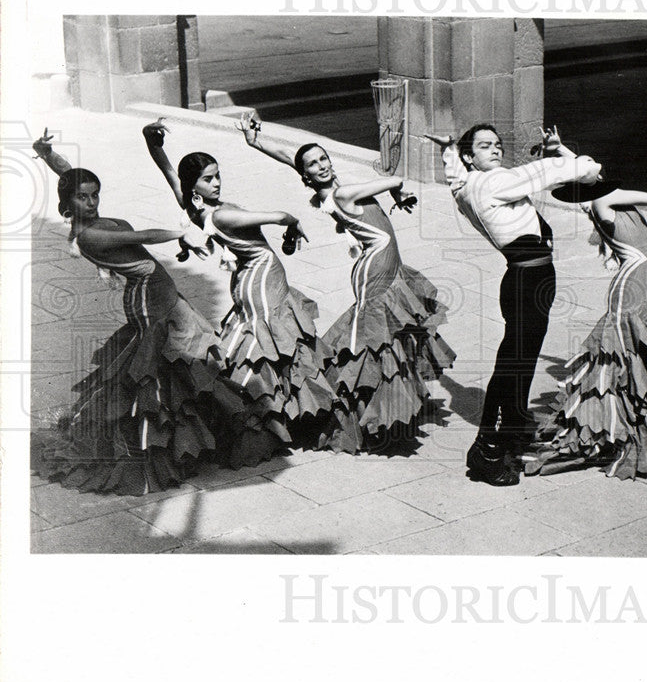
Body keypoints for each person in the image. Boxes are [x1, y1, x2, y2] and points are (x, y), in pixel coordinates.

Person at [31, 129, 271, 495]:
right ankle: (162, 453)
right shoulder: (90, 236)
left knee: (185, 368)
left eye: (95, 195)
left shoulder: (90, 219)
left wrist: (48, 155)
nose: (92, 202)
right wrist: (180, 234)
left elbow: (69, 176)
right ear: (68, 204)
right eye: (83, 198)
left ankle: (189, 443)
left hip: (161, 296)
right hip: (150, 303)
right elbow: (138, 236)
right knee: (165, 374)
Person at [236, 113, 455, 453]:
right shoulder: (343, 195)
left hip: (384, 265)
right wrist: (396, 188)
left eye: (323, 158)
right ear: (306, 174)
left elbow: (290, 159)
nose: (321, 165)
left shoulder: (335, 190)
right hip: (375, 270)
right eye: (313, 164)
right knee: (374, 343)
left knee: (387, 339)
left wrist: (257, 141)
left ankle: (380, 410)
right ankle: (360, 416)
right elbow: (394, 178)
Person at [142, 120, 343, 456]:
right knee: (277, 349)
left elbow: (165, 167)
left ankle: (281, 417)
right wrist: (292, 223)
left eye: (217, 175)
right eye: (208, 179)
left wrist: (152, 139)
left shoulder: (191, 205)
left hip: (247, 280)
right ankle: (279, 423)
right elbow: (278, 216)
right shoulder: (220, 217)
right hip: (263, 279)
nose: (217, 183)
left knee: (265, 349)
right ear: (195, 185)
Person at [427, 126, 603, 486]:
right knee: (512, 364)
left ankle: (512, 430)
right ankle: (486, 451)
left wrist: (448, 152)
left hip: (523, 279)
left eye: (497, 145)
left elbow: (455, 181)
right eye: (484, 146)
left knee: (517, 361)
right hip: (529, 282)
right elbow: (549, 173)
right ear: (470, 156)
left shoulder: (466, 187)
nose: (495, 150)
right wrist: (585, 164)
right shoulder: (494, 182)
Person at [522, 167, 647, 480]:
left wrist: (560, 150)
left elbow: (583, 170)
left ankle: (635, 417)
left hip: (644, 285)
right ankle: (612, 429)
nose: (597, 167)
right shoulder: (604, 200)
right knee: (617, 363)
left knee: (638, 357)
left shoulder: (605, 198)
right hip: (631, 289)